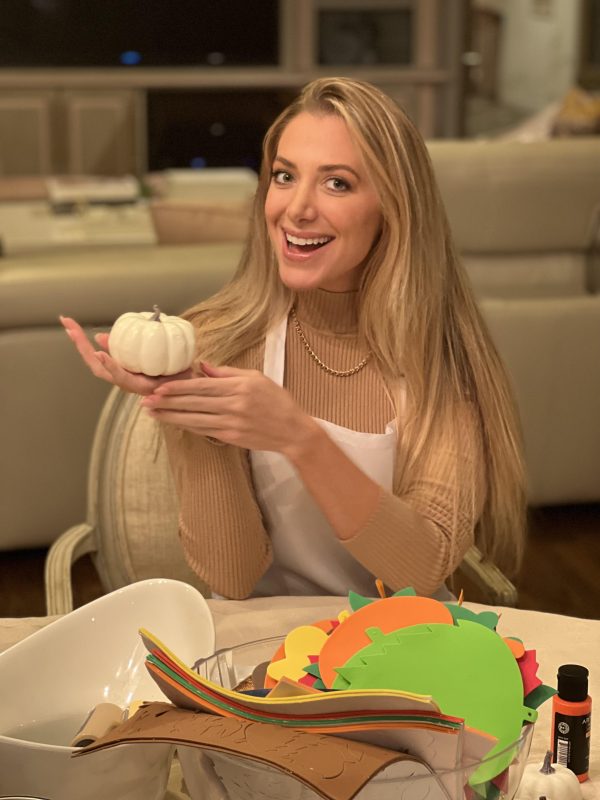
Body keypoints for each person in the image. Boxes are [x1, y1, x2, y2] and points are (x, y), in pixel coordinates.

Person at [62, 77, 526, 600]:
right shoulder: (219, 339)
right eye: (284, 176)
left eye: (337, 184)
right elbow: (232, 577)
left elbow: (421, 569)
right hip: (261, 641)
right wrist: (195, 416)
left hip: (401, 639)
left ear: (395, 208)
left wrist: (299, 438)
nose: (296, 209)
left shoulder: (443, 363)